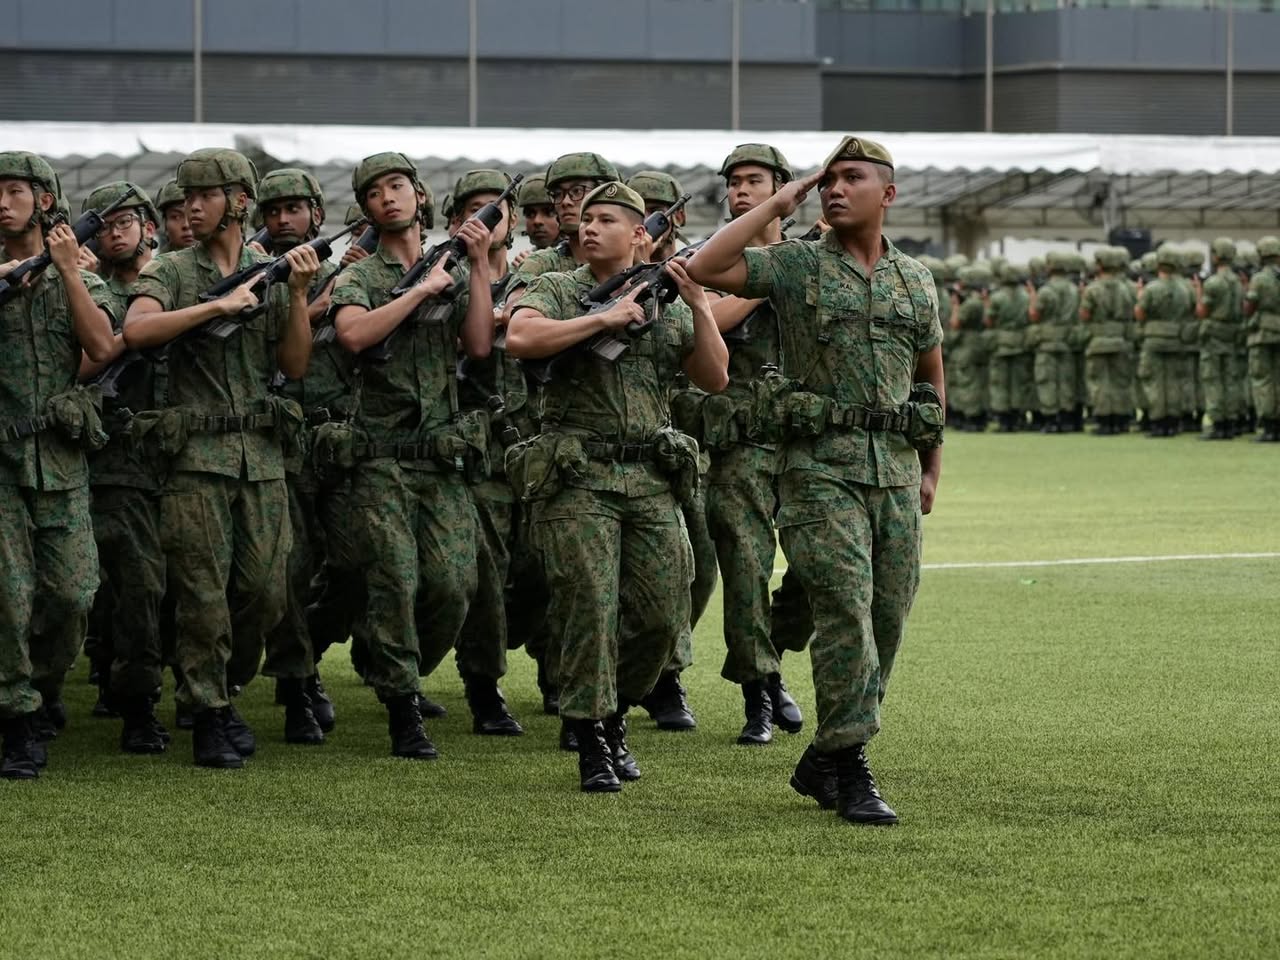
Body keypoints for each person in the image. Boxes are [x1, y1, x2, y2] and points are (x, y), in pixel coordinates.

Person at [688, 136, 946, 826]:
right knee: (845, 611)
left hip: (892, 469)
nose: (835, 188)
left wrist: (931, 466)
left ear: (887, 194)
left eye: (852, 178)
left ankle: (824, 756)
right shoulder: (798, 264)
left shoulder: (915, 280)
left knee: (888, 616)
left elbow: (929, 372)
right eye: (828, 179)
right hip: (817, 470)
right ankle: (853, 760)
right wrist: (782, 198)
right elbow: (706, 265)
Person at [506, 181, 729, 792]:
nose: (588, 227)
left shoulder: (667, 298)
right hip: (578, 475)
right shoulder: (556, 287)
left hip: (650, 477)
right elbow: (520, 338)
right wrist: (602, 318)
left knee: (662, 615)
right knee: (590, 608)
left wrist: (701, 305)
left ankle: (613, 708)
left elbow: (713, 378)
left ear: (640, 235)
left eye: (607, 220)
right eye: (587, 219)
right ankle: (594, 733)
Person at [124, 148, 320, 769]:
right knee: (202, 592)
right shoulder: (173, 270)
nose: (191, 209)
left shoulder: (272, 268)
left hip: (259, 455)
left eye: (204, 197)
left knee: (265, 590)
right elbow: (137, 330)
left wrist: (300, 293)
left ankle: (224, 687)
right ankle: (207, 709)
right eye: (185, 200)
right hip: (196, 457)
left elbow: (293, 365)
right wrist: (216, 306)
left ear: (237, 201)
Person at [330, 152, 495, 759]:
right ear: (367, 211)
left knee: (454, 585)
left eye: (397, 186)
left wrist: (476, 266)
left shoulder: (453, 266)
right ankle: (402, 706)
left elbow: (478, 344)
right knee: (394, 580)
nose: (387, 199)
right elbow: (352, 335)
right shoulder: (361, 278)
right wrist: (421, 290)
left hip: (439, 458)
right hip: (379, 457)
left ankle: (394, 665)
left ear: (420, 195)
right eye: (374, 193)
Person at [0, 152, 117, 779]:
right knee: (7, 598)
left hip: (58, 458)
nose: (2, 202)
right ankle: (15, 719)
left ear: (44, 199)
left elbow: (101, 347)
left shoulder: (80, 274)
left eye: (14, 190)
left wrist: (68, 271)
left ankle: (42, 686)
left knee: (72, 595)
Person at [76, 181, 178, 752]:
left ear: (147, 228)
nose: (115, 234)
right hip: (116, 460)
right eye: (106, 225)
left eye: (125, 223)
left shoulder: (175, 282)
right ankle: (137, 700)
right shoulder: (91, 293)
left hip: (181, 455)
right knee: (134, 586)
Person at [449, 168, 527, 738]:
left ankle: (560, 675)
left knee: (547, 568)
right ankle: (484, 683)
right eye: (477, 210)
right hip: (481, 446)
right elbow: (470, 343)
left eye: (498, 210)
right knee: (485, 570)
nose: (489, 219)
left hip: (538, 442)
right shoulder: (443, 280)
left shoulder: (540, 275)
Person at [512, 153, 619, 280]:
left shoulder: (634, 259)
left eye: (577, 191)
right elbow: (516, 299)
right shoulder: (539, 264)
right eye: (557, 194)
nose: (565, 201)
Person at [1134, 245, 1193, 439]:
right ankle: (1173, 423)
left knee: (1155, 382)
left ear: (1159, 263)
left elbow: (1140, 314)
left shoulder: (1152, 288)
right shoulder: (1187, 288)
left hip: (1154, 338)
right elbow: (1194, 310)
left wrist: (1139, 296)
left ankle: (1158, 423)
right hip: (1178, 338)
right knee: (1175, 381)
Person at [1078, 246, 1136, 435]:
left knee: (1100, 381)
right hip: (1121, 339)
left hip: (1098, 340)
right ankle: (1121, 420)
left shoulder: (1092, 289)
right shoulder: (1129, 288)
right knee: (1121, 381)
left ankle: (1105, 421)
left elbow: (1085, 315)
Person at [1196, 238, 1246, 440]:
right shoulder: (1238, 282)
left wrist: (1198, 291)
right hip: (1232, 333)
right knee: (1231, 379)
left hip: (1214, 334)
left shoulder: (1213, 283)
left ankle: (1218, 422)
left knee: (1213, 380)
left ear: (1215, 256)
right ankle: (1231, 422)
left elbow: (1202, 311)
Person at [1244, 236, 1280, 442]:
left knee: (1263, 380)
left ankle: (1269, 426)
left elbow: (1249, 307)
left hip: (1263, 334)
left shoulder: (1259, 279)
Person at [154, 179, 194, 254]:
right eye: (176, 217)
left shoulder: (221, 261)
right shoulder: (158, 265)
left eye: (193, 214)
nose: (186, 225)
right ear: (165, 225)